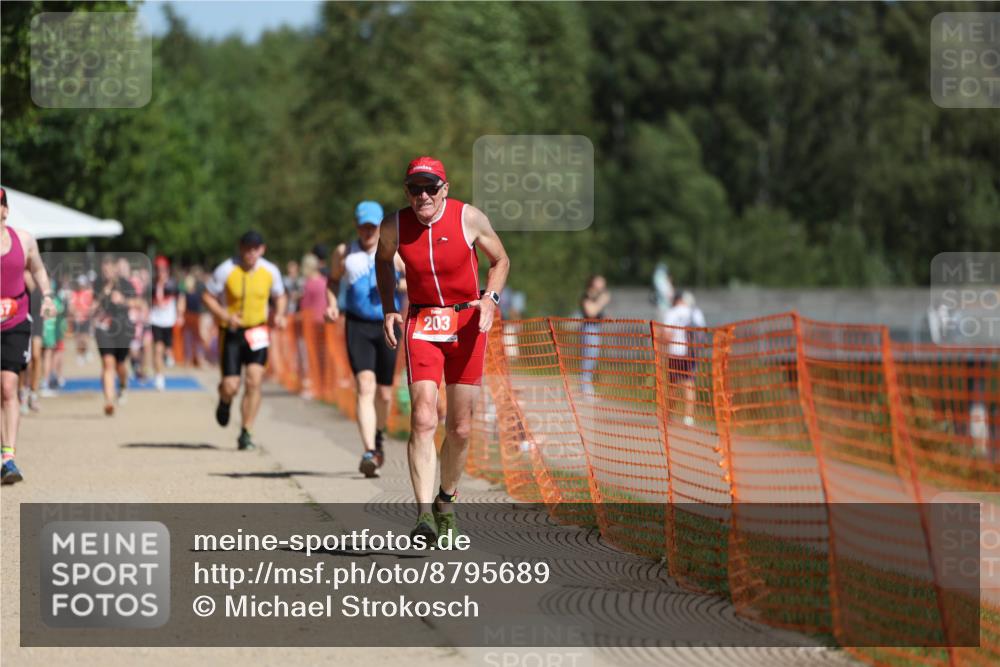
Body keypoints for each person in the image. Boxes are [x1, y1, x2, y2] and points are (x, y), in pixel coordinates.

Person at [375, 157, 510, 545]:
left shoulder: (469, 217)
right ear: (406, 192)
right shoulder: (394, 225)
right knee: (422, 417)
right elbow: (383, 262)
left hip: (468, 323)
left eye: (431, 187)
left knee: (461, 427)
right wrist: (388, 308)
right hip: (421, 325)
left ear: (444, 189)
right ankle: (422, 517)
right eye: (415, 188)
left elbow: (501, 260)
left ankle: (445, 502)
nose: (423, 196)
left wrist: (490, 299)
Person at [326, 201, 406, 478]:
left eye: (373, 226)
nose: (368, 231)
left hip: (387, 324)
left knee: (384, 393)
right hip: (358, 325)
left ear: (381, 225)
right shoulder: (345, 253)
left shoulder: (394, 252)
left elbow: (415, 279)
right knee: (364, 384)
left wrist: (396, 284)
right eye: (364, 226)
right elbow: (333, 281)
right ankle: (369, 450)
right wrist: (332, 304)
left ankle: (379, 435)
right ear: (357, 226)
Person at [204, 230, 287, 451]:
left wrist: (279, 314)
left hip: (258, 331)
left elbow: (280, 295)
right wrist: (224, 316)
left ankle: (246, 431)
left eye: (255, 248)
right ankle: (225, 400)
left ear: (262, 249)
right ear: (240, 248)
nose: (250, 253)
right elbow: (207, 296)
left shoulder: (270, 271)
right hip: (232, 332)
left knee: (254, 381)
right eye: (246, 248)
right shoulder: (226, 270)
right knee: (231, 385)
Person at [1, 186, 56, 483]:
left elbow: (38, 269)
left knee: (9, 387)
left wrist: (47, 295)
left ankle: (8, 458)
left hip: (15, 321)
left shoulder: (23, 240)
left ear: (5, 210)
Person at [94, 255, 140, 416]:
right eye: (103, 268)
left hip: (122, 329)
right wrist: (103, 294)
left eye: (109, 268)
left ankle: (122, 385)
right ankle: (109, 401)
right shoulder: (98, 284)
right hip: (104, 329)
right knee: (108, 363)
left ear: (115, 268)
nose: (106, 271)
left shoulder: (125, 284)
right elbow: (90, 307)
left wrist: (123, 300)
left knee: (120, 365)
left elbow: (139, 303)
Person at [662, 290, 707, 427]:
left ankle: (669, 415)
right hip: (691, 353)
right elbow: (702, 333)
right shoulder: (695, 312)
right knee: (689, 385)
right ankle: (688, 419)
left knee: (673, 385)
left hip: (675, 352)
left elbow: (667, 336)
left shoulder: (671, 312)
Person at [149, 256, 185, 390]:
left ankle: (168, 355)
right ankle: (159, 377)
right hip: (155, 320)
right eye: (158, 269)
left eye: (163, 269)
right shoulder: (152, 285)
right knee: (157, 349)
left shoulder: (173, 284)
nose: (160, 272)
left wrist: (180, 314)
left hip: (169, 321)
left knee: (168, 348)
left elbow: (181, 298)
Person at [580, 275, 610, 397]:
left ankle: (587, 386)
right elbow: (591, 312)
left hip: (597, 329)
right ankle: (585, 388)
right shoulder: (586, 296)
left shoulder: (597, 297)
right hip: (589, 328)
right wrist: (602, 301)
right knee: (588, 358)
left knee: (593, 359)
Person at [70, 274, 94, 364]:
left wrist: (86, 313)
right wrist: (75, 313)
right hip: (77, 319)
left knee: (85, 338)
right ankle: (80, 355)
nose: (81, 285)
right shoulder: (74, 293)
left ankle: (86, 351)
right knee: (78, 339)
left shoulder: (88, 293)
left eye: (82, 284)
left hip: (86, 318)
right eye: (80, 284)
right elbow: (71, 306)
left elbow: (91, 306)